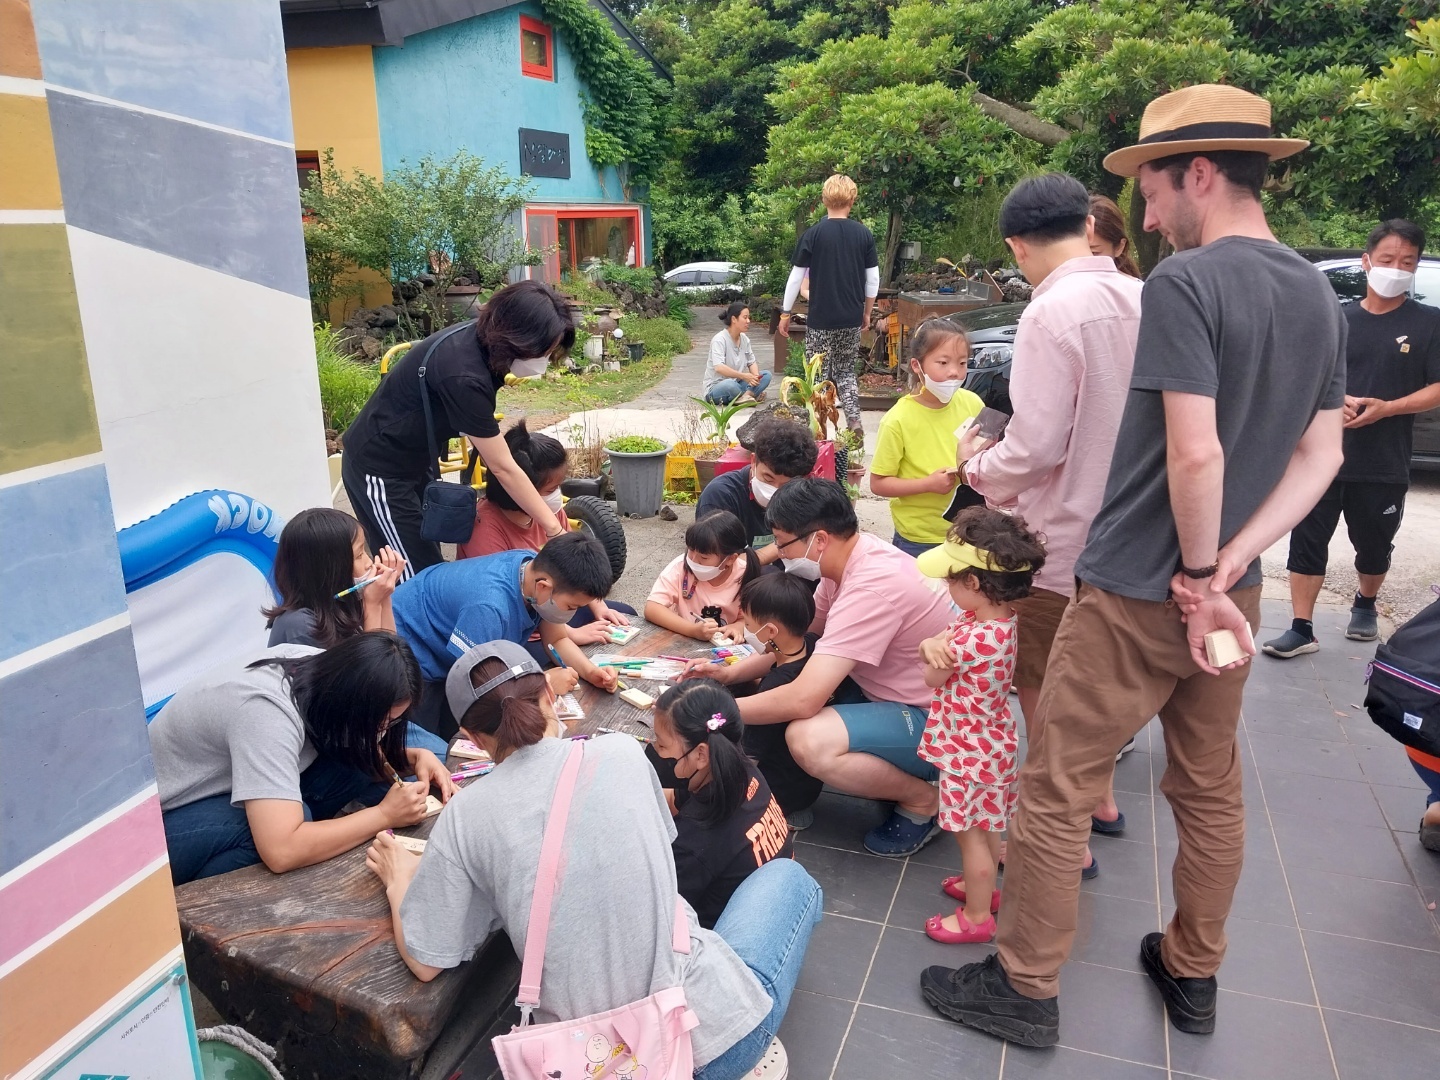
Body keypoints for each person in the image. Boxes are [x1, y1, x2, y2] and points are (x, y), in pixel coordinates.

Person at [921, 83, 1346, 1046]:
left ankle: (1024, 986)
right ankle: (1192, 970)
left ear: (1199, 172)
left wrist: (1194, 575)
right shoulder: (1316, 289)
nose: (1143, 218)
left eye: (1151, 190)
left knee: (1059, 782)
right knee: (1208, 785)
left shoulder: (1188, 285)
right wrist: (1231, 566)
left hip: (1139, 590)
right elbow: (1320, 456)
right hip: (1232, 590)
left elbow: (1195, 453)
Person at [366, 640, 822, 1080]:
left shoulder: (463, 818)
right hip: (714, 1043)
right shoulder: (623, 753)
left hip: (589, 1063)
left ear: (470, 737)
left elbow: (427, 961)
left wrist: (397, 879)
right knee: (789, 879)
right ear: (549, 694)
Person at [957, 171, 1145, 873]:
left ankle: (1060, 828)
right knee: (1097, 679)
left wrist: (975, 466)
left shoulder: (1049, 312)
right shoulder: (1143, 295)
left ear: (1017, 246)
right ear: (1088, 226)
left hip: (1057, 536)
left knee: (1041, 680)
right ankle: (1099, 801)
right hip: (1131, 533)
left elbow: (1035, 447)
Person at [687, 478, 954, 856]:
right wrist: (731, 674)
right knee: (781, 688)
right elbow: (798, 641)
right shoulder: (851, 560)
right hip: (896, 694)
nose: (777, 553)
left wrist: (711, 713)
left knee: (808, 739)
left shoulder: (871, 588)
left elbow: (803, 699)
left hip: (939, 725)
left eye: (781, 542)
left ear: (820, 539)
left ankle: (923, 800)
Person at [1263, 219, 1440, 657]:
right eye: (1387, 260)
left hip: (1384, 459)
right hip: (1320, 456)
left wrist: (1390, 407)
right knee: (1307, 540)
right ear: (1367, 262)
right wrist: (1333, 398)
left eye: (1407, 262)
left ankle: (1366, 601)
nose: (1396, 268)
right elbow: (1300, 376)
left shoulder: (1429, 323)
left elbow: (1437, 387)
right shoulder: (1336, 319)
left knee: (1374, 542)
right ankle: (1301, 627)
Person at [149, 632, 454, 884]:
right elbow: (281, 850)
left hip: (222, 786)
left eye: (392, 724)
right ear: (354, 703)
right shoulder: (266, 714)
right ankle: (188, 916)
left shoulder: (324, 670)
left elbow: (353, 744)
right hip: (158, 828)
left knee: (359, 764)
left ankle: (316, 837)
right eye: (382, 723)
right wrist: (384, 816)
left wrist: (411, 758)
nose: (384, 732)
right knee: (280, 831)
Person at [341, 280, 576, 580]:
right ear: (518, 338)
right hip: (379, 468)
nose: (543, 361)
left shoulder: (483, 340)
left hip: (416, 460)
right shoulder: (464, 374)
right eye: (543, 351)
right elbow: (503, 468)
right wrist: (554, 530)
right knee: (415, 576)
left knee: (427, 558)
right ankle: (387, 623)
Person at [914, 508, 1045, 944]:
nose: (946, 587)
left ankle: (975, 918)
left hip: (966, 752)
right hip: (991, 742)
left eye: (951, 579)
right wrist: (934, 643)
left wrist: (929, 647)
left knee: (971, 839)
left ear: (972, 584)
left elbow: (932, 676)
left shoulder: (969, 638)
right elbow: (944, 645)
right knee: (988, 826)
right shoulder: (1000, 623)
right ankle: (981, 892)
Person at [391, 532, 618, 737]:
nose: (573, 613)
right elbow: (478, 682)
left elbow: (557, 640)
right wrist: (543, 684)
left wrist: (590, 672)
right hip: (409, 652)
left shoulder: (532, 570)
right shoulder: (490, 607)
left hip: (448, 642)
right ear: (543, 587)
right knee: (435, 741)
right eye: (571, 606)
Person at [456, 420, 633, 643]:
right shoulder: (484, 527)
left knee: (625, 616)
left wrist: (599, 605)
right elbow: (505, 605)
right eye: (550, 489)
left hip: (555, 608)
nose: (556, 495)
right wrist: (572, 635)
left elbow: (577, 568)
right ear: (519, 488)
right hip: (516, 628)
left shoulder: (549, 513)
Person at [652, 680, 793, 929]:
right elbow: (675, 799)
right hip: (779, 907)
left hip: (727, 940)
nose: (657, 751)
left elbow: (655, 913)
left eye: (662, 745)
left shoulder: (695, 841)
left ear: (701, 754)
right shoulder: (740, 771)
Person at [869, 318, 986, 556]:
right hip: (919, 538)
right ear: (916, 365)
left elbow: (985, 448)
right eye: (943, 363)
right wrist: (927, 484)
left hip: (969, 531)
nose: (954, 372)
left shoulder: (973, 403)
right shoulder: (898, 420)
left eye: (962, 363)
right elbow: (878, 483)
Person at [778, 174, 879, 439]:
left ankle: (819, 427)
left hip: (820, 319)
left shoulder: (813, 234)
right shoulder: (864, 235)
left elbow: (796, 277)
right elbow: (873, 280)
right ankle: (854, 421)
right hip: (850, 317)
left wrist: (786, 312)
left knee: (818, 373)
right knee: (845, 370)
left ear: (823, 200)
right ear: (853, 200)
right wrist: (866, 312)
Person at [734, 574, 833, 827]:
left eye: (747, 622)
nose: (746, 630)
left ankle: (776, 813)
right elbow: (775, 654)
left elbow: (749, 757)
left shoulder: (775, 687)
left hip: (777, 793)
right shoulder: (813, 646)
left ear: (770, 631)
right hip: (805, 786)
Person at [265, 508, 405, 649]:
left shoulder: (343, 604)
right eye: (358, 556)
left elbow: (392, 654)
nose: (369, 563)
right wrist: (373, 605)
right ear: (328, 571)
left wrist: (384, 597)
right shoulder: (300, 626)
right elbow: (372, 668)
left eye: (365, 551)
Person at [696, 416, 817, 564]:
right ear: (753, 461)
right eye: (768, 478)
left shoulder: (804, 496)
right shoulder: (720, 496)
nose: (775, 491)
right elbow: (720, 563)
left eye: (786, 485)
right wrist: (786, 543)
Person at [645, 510, 759, 641]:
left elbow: (754, 619)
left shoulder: (745, 575)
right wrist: (692, 630)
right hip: (682, 639)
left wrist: (737, 627)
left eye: (703, 558)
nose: (693, 560)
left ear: (730, 559)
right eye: (691, 550)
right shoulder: (680, 567)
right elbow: (652, 608)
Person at [704, 303, 771, 404]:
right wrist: (744, 376)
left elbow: (751, 362)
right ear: (734, 319)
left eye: (749, 317)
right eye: (745, 317)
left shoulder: (745, 339)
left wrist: (755, 379)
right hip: (717, 388)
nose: (748, 321)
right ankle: (750, 394)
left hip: (737, 383)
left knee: (766, 375)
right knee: (730, 385)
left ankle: (744, 397)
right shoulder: (719, 339)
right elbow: (719, 367)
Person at [1087, 194, 1143, 278]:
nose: (1083, 261)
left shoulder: (1135, 289)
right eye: (1076, 252)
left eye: (1094, 253)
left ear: (1119, 247)